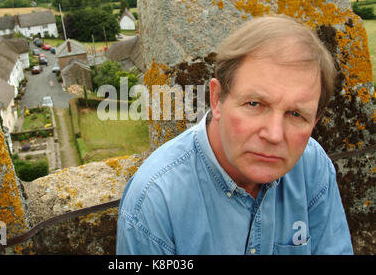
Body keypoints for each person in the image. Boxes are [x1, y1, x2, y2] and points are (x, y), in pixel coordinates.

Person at [116, 15, 353, 255]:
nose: (273, 134)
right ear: (217, 98)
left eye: (296, 114)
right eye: (255, 104)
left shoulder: (312, 166)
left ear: (315, 120)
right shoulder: (155, 201)